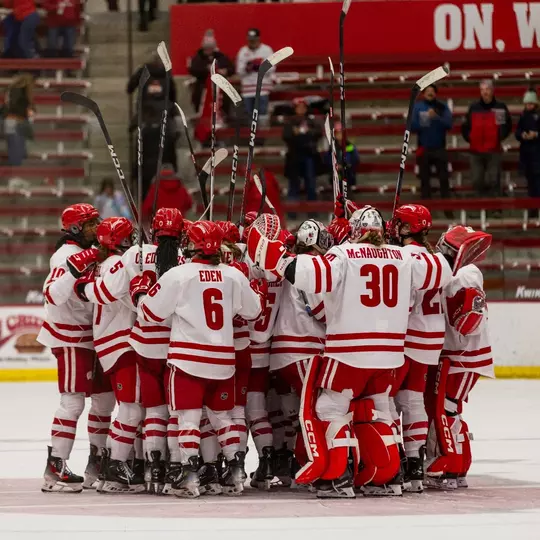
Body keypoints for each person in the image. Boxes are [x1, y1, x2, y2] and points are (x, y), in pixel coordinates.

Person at [246, 208, 454, 497]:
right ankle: (386, 477)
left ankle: (337, 476)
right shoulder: (406, 257)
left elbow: (303, 274)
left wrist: (273, 253)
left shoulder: (343, 255)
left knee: (329, 408)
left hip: (349, 353)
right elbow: (444, 267)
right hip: (391, 354)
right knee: (381, 408)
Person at [135, 220, 266, 498]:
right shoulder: (233, 275)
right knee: (222, 417)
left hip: (187, 360)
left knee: (188, 419)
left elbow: (151, 313)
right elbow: (254, 311)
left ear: (192, 245)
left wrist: (140, 291)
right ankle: (235, 469)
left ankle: (189, 474)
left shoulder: (179, 275)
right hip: (223, 359)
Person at [71, 208, 187, 495]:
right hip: (143, 343)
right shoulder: (177, 258)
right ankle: (127, 468)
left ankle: (121, 466)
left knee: (140, 409)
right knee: (147, 410)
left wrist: (83, 287)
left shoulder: (127, 257)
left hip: (128, 343)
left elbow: (102, 292)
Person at [37, 203, 115, 493]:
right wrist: (85, 259)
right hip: (71, 339)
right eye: (91, 222)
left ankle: (97, 461)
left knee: (105, 401)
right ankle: (55, 465)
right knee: (73, 402)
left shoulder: (92, 251)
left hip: (93, 337)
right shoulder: (65, 255)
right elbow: (53, 294)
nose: (98, 226)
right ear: (75, 228)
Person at [70, 217, 146, 493]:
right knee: (132, 407)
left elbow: (93, 290)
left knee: (127, 407)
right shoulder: (118, 262)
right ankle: (115, 466)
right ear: (123, 240)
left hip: (109, 343)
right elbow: (108, 292)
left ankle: (113, 463)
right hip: (122, 342)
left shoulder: (102, 264)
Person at [425, 225, 493, 490]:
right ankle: (458, 466)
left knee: (446, 409)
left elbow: (467, 320)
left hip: (463, 355)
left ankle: (451, 464)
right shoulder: (462, 273)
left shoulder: (465, 275)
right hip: (464, 354)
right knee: (450, 408)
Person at [388, 204, 446, 493]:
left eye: (399, 223)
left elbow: (404, 300)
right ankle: (414, 464)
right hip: (431, 339)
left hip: (407, 336)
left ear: (409, 228)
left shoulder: (402, 257)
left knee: (384, 398)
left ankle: (391, 459)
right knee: (413, 401)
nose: (394, 227)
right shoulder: (438, 259)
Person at [269, 220, 329, 485]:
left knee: (287, 414)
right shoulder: (309, 267)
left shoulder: (286, 263)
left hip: (277, 353)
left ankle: (282, 464)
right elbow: (321, 312)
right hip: (303, 348)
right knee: (315, 412)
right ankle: (310, 465)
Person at [462, 80, 512, 197]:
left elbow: (506, 126)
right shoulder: (473, 107)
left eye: (487, 89)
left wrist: (498, 138)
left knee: (494, 180)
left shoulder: (500, 107)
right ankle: (480, 209)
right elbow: (465, 126)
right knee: (476, 180)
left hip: (493, 151)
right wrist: (470, 138)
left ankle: (495, 210)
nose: (485, 92)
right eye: (482, 90)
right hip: (476, 151)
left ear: (492, 90)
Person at [411, 85, 453, 200]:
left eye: (432, 91)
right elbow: (412, 126)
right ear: (423, 94)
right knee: (424, 179)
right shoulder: (418, 107)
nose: (430, 93)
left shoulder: (442, 107)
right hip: (424, 148)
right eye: (427, 91)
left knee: (444, 178)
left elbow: (449, 124)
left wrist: (436, 117)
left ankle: (447, 206)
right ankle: (425, 208)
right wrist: (423, 122)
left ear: (435, 93)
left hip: (440, 148)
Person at [130, 104, 179, 199]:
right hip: (163, 170)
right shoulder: (166, 133)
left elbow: (139, 155)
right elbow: (172, 153)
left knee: (147, 199)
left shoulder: (143, 134)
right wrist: (174, 168)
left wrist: (134, 173)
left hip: (146, 172)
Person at [283, 99, 322, 214]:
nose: (301, 109)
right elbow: (286, 135)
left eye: (303, 107)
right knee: (294, 185)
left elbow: (318, 133)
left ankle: (312, 211)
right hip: (294, 157)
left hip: (309, 156)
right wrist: (303, 133)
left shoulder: (311, 121)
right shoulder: (289, 122)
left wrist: (300, 132)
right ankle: (292, 212)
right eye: (298, 107)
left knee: (311, 183)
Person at [189, 30, 235, 112]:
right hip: (203, 86)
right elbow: (193, 70)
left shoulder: (221, 57)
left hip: (220, 87)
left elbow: (231, 69)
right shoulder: (198, 58)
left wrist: (225, 71)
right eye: (207, 49)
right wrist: (206, 69)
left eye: (210, 49)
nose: (208, 51)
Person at [236, 29, 274, 117]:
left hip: (263, 90)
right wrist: (248, 68)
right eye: (250, 40)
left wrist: (259, 67)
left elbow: (272, 68)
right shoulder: (243, 51)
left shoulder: (267, 50)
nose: (252, 42)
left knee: (262, 116)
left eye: (254, 40)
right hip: (247, 90)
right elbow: (239, 71)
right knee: (248, 117)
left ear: (259, 39)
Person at [515, 89, 540, 218]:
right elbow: (517, 132)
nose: (528, 106)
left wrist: (536, 135)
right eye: (527, 104)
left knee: (537, 184)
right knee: (531, 185)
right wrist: (523, 135)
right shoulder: (523, 116)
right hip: (527, 156)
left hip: (537, 154)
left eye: (531, 103)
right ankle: (533, 209)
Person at [4, 73, 35, 167]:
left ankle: (15, 164)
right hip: (17, 120)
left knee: (13, 145)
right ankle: (17, 163)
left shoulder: (11, 90)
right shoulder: (23, 93)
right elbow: (21, 110)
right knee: (18, 144)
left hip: (10, 120)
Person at [323, 121, 360, 189]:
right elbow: (327, 160)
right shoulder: (332, 147)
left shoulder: (350, 146)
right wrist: (335, 166)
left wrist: (345, 166)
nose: (339, 135)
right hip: (335, 177)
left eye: (341, 133)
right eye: (337, 133)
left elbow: (355, 160)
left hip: (348, 175)